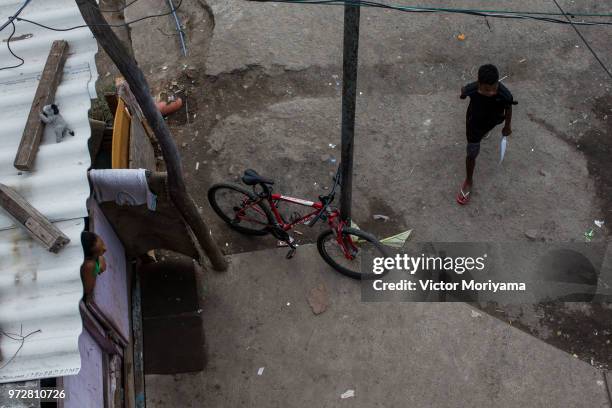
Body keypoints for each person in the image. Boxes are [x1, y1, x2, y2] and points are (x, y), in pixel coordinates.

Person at [457, 64, 514, 205]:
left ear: (498, 83)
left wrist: (507, 126)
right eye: (486, 90)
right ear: (479, 84)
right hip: (474, 125)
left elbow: (508, 107)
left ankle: (486, 133)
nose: (491, 93)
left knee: (486, 130)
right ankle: (469, 180)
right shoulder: (472, 88)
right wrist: (463, 93)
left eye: (494, 88)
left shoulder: (505, 94)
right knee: (472, 152)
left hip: (493, 120)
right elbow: (463, 93)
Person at [80, 231, 107, 300]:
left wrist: (99, 257)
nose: (106, 248)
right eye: (101, 252)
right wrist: (97, 267)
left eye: (102, 242)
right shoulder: (89, 265)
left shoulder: (84, 235)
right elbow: (87, 290)